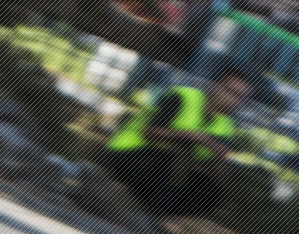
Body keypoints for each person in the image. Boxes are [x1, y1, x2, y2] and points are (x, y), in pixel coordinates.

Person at [104, 68, 252, 217]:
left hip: (163, 169)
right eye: (230, 92)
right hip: (129, 153)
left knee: (209, 190)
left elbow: (208, 160)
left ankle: (156, 213)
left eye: (240, 97)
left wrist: (221, 164)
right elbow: (150, 132)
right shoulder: (183, 96)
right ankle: (143, 208)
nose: (234, 100)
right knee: (175, 154)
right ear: (216, 85)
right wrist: (197, 137)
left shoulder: (226, 125)